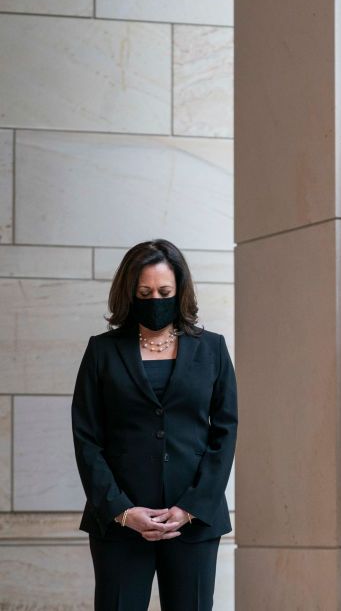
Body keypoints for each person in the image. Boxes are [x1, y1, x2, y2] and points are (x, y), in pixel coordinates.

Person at [71, 240, 238, 610]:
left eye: (164, 292)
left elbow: (224, 434)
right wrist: (122, 510)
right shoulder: (102, 351)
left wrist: (191, 506)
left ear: (179, 292)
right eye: (145, 292)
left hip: (193, 521)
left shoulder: (212, 349)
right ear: (130, 294)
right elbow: (86, 438)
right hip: (119, 522)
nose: (155, 300)